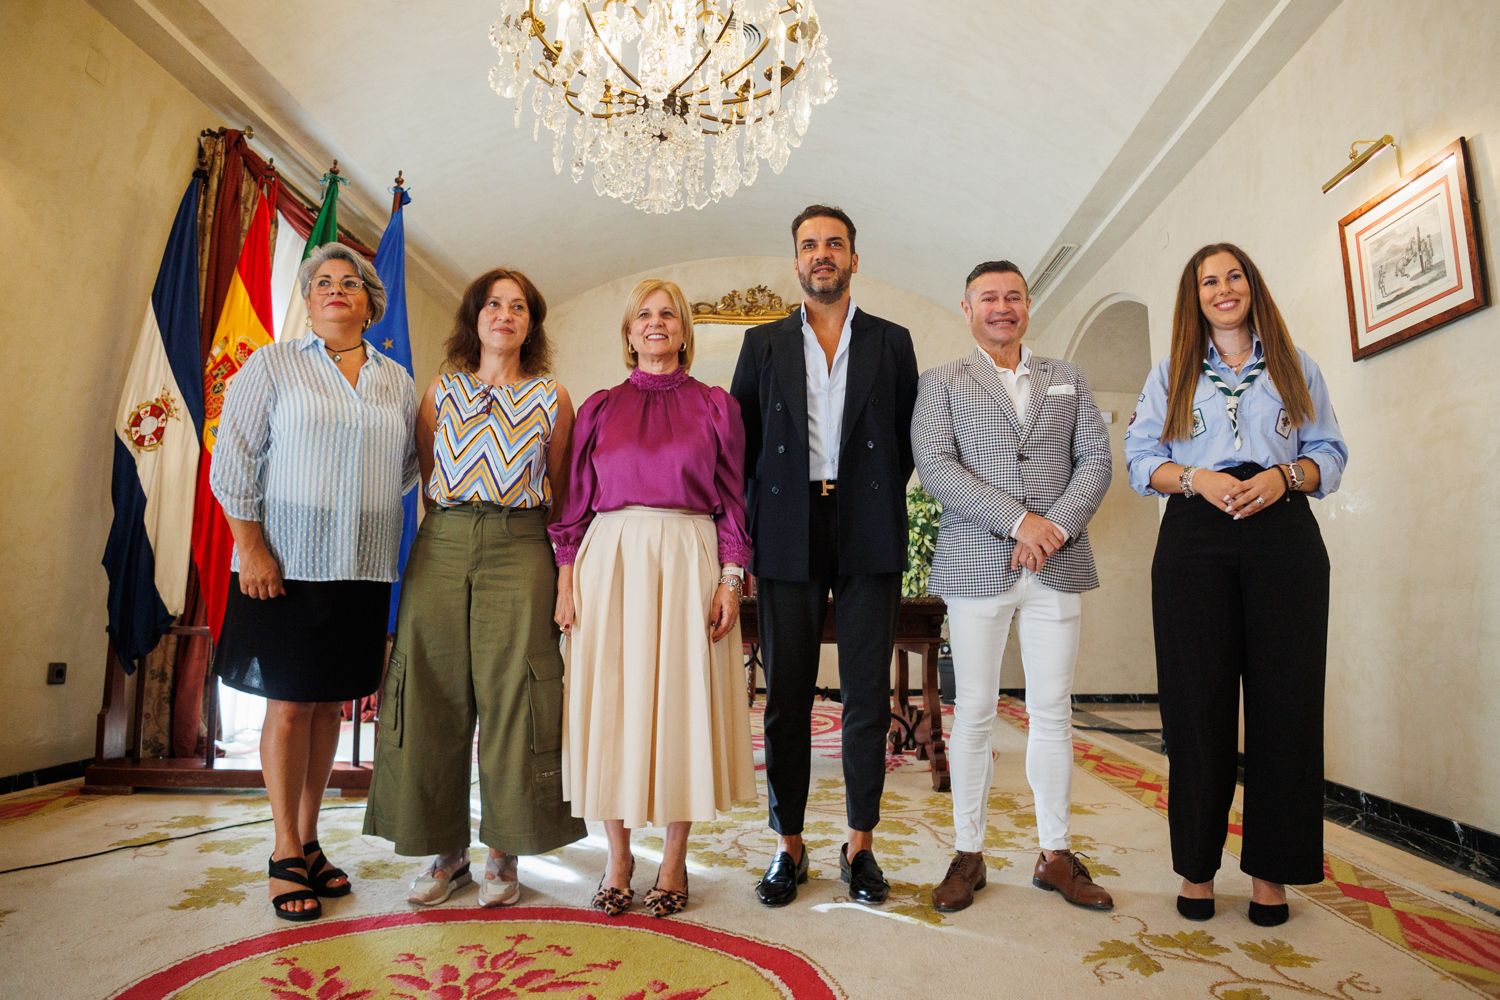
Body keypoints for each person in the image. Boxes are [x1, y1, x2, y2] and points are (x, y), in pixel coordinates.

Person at [1123, 242, 1348, 927]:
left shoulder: (1295, 366)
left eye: (1234, 277)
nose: (1223, 289)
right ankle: (1196, 867)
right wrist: (1196, 478)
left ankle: (1271, 874)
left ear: (1252, 286)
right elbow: (1140, 458)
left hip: (1282, 532)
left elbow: (1330, 452)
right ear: (1194, 299)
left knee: (1287, 706)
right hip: (1196, 534)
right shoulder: (1171, 374)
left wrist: (1285, 476)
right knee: (1197, 706)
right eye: (1208, 282)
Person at [364, 268, 586, 907]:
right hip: (444, 541)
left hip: (521, 545)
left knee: (515, 693)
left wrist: (563, 570)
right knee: (431, 689)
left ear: (531, 324)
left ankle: (504, 851)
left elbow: (563, 490)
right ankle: (445, 853)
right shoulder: (441, 391)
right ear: (475, 317)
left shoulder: (552, 396)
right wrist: (453, 531)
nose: (504, 315)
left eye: (518, 306)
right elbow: (427, 471)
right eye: (493, 304)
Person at [211, 242, 417, 921]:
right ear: (307, 301)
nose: (336, 290)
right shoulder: (272, 365)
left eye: (349, 282)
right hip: (285, 564)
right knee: (291, 706)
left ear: (369, 304)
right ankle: (282, 851)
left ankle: (309, 839)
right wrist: (252, 548)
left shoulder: (396, 380)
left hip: (361, 565)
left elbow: (407, 466)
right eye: (322, 282)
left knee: (331, 706)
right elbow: (233, 459)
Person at [912, 260, 1115, 914]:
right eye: (988, 298)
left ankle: (1055, 854)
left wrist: (1052, 529)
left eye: (1014, 296)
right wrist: (1018, 522)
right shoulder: (941, 381)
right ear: (967, 309)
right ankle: (968, 853)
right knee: (973, 710)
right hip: (978, 564)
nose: (1002, 307)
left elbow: (1096, 462)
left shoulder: (1068, 378)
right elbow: (936, 466)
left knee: (1052, 710)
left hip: (1057, 564)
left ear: (1028, 305)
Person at [730, 205, 919, 908]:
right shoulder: (763, 343)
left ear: (853, 258)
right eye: (809, 245)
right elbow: (742, 443)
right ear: (796, 261)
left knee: (866, 692)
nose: (822, 254)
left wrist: (868, 492)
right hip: (786, 522)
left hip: (868, 519)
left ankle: (859, 846)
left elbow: (905, 440)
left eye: (834, 243)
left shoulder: (892, 341)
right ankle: (789, 846)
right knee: (786, 695)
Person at [550, 278, 756, 919]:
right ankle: (617, 858)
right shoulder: (599, 407)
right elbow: (573, 503)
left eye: (669, 314)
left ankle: (673, 860)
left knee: (681, 705)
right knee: (610, 703)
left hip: (689, 557)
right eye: (644, 314)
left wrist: (730, 578)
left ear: (684, 331)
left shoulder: (716, 406)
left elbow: (734, 500)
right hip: (609, 561)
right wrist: (565, 579)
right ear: (629, 332)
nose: (656, 322)